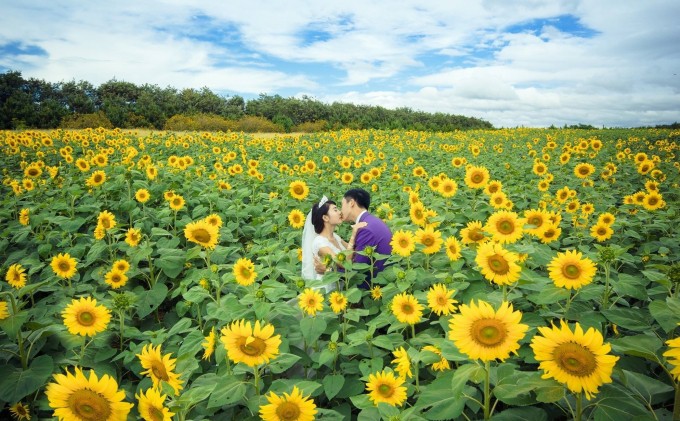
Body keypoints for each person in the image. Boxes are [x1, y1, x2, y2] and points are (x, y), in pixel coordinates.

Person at [315, 188, 393, 287]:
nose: (340, 211)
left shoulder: (365, 228)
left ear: (351, 203)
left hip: (374, 287)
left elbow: (357, 272)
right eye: (336, 209)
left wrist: (328, 270)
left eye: (342, 205)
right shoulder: (371, 221)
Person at [301, 196, 366, 292]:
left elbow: (353, 252)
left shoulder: (335, 237)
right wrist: (354, 233)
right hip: (325, 291)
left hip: (340, 287)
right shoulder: (320, 243)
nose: (340, 212)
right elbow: (345, 263)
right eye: (335, 210)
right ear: (325, 218)